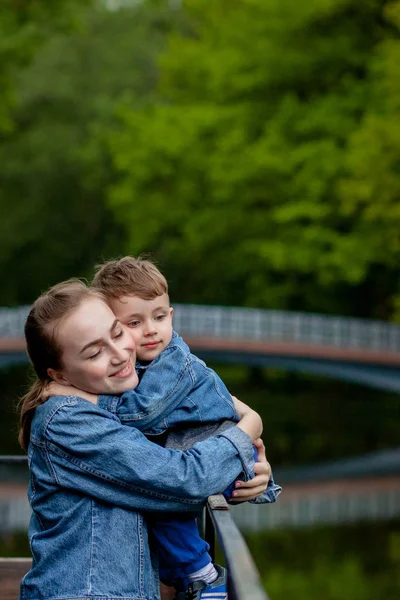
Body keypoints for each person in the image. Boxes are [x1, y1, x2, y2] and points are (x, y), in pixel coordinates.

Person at [19, 279, 273, 600]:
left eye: (118, 332)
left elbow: (168, 459)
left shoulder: (109, 401)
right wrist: (250, 424)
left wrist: (247, 477)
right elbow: (183, 478)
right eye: (95, 351)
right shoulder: (69, 423)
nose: (119, 353)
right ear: (59, 374)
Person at [84, 257, 279, 595]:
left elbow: (142, 414)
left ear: (171, 316)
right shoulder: (133, 366)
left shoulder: (174, 361)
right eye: (134, 322)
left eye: (159, 317)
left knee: (162, 501)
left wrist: (97, 403)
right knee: (159, 499)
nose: (150, 330)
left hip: (215, 453)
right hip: (197, 454)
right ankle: (187, 576)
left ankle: (202, 575)